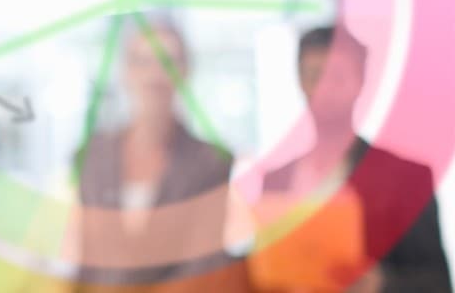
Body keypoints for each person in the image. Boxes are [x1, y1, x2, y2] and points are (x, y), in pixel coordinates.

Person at [258, 25, 451, 292]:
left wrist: (383, 284)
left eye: (336, 77)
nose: (324, 90)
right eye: (314, 75)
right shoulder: (276, 182)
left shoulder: (406, 179)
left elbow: (438, 283)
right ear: (300, 81)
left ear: (360, 81)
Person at [72, 17, 251, 292]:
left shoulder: (211, 161)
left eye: (167, 62)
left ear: (186, 70)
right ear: (125, 71)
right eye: (143, 61)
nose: (155, 74)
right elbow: (86, 262)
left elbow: (201, 267)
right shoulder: (92, 157)